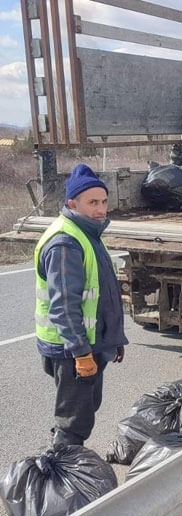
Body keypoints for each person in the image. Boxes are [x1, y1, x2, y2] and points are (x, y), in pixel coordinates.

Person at [34, 164, 128, 446]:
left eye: (104, 201)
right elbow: (63, 305)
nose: (101, 209)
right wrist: (81, 353)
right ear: (72, 203)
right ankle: (62, 473)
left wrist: (113, 339)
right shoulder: (66, 242)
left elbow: (102, 295)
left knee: (84, 411)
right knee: (74, 422)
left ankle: (64, 462)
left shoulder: (88, 234)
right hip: (71, 349)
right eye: (93, 202)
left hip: (90, 344)